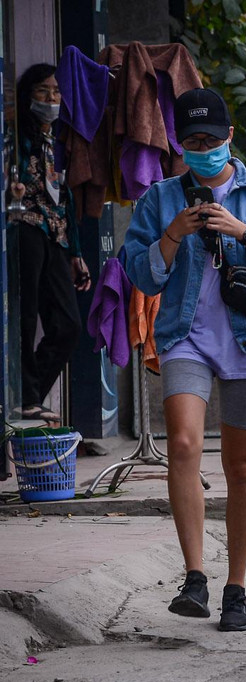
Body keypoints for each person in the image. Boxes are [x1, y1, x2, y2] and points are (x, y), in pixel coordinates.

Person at [122, 88, 246, 631]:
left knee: (242, 466)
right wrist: (171, 237)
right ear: (181, 145)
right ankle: (195, 577)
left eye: (211, 139)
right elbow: (139, 272)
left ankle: (237, 588)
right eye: (192, 142)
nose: (202, 149)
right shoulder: (160, 198)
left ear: (230, 137)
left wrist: (245, 233)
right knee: (182, 443)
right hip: (185, 335)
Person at [7, 64, 91, 422]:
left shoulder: (54, 140)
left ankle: (28, 394)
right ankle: (26, 397)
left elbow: (64, 199)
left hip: (55, 236)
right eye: (43, 91)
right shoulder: (15, 138)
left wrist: (75, 253)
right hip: (25, 230)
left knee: (68, 324)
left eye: (56, 92)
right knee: (24, 318)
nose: (51, 98)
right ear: (28, 96)